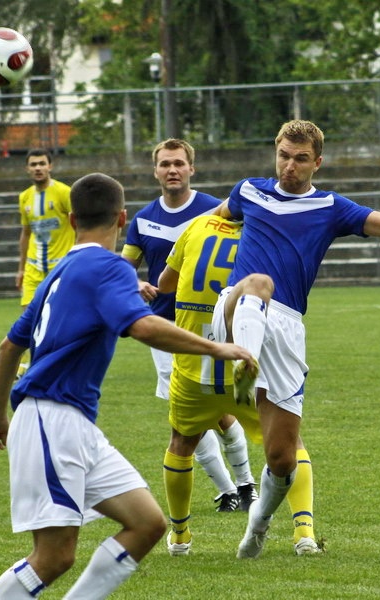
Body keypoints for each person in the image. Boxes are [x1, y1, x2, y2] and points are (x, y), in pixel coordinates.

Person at [0, 173, 254, 600]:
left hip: (72, 423)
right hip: (52, 417)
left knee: (147, 522)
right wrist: (217, 348)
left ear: (71, 219)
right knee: (53, 556)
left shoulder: (60, 270)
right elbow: (142, 326)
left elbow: (8, 346)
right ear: (123, 218)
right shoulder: (110, 266)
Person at [212, 119, 380, 559]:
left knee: (281, 458)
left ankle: (257, 525)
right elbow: (213, 219)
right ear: (274, 152)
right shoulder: (248, 191)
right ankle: (243, 360)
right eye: (283, 155)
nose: (289, 166)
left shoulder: (332, 207)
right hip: (238, 304)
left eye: (300, 159)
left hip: (287, 327)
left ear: (317, 162)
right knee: (256, 284)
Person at [157, 213, 322, 557]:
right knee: (290, 442)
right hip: (251, 363)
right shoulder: (267, 242)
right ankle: (304, 532)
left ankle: (180, 536)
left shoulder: (195, 227)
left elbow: (166, 282)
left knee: (181, 443)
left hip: (195, 366)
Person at [122, 138, 256, 513]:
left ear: (191, 168)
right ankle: (232, 488)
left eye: (179, 163)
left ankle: (244, 485)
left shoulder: (215, 210)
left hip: (215, 325)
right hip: (165, 329)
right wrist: (134, 283)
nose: (172, 170)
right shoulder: (144, 218)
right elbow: (123, 266)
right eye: (165, 164)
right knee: (191, 417)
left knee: (221, 410)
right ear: (156, 171)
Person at [15, 148, 75, 375]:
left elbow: (78, 225)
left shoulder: (64, 193)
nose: (38, 168)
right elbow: (26, 233)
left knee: (61, 317)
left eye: (42, 163)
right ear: (27, 168)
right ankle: (29, 363)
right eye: (33, 164)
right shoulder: (25, 197)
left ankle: (57, 360)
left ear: (50, 166)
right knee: (28, 318)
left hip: (60, 267)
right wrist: (20, 269)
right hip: (33, 267)